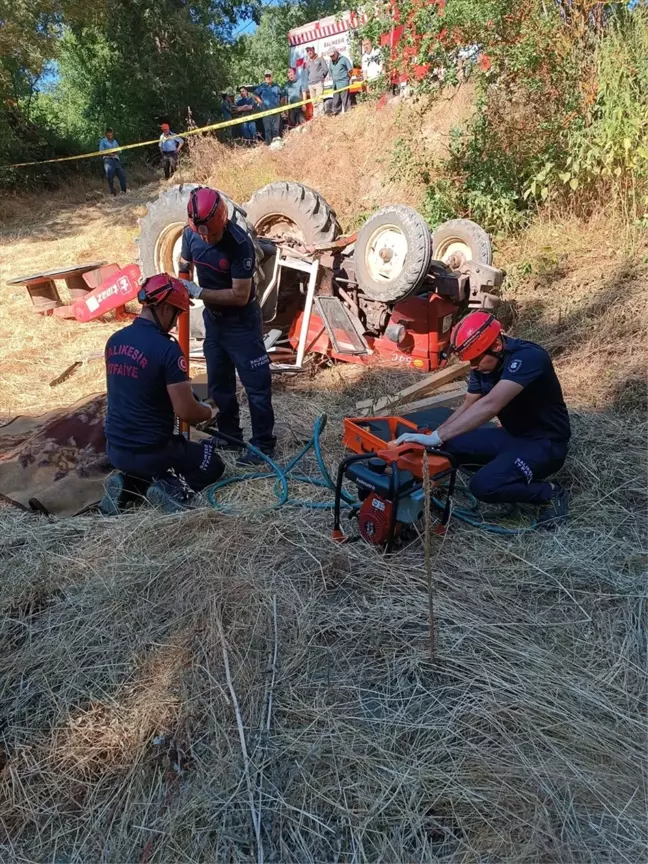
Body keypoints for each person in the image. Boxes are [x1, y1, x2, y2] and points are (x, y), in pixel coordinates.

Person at [392, 312, 571, 528]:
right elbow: (468, 405)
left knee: (484, 486)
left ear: (496, 345)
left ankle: (550, 493)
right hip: (512, 436)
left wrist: (438, 436)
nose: (473, 367)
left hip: (546, 444)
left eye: (476, 359)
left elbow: (491, 404)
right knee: (448, 446)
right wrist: (435, 437)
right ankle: (502, 467)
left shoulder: (529, 358)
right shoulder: (484, 363)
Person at [102, 274, 224, 514]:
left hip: (115, 448)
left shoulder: (115, 340)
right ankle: (173, 489)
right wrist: (210, 411)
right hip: (152, 451)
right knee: (212, 463)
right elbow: (186, 412)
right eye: (177, 314)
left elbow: (143, 387)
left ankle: (127, 484)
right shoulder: (167, 349)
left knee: (148, 463)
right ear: (166, 308)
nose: (176, 321)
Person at [178, 187, 276, 465]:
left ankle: (263, 444)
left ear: (222, 220)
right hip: (214, 321)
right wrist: (180, 281)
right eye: (202, 233)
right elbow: (184, 264)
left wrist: (198, 292)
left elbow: (239, 295)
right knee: (219, 383)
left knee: (257, 386)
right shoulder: (191, 234)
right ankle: (229, 434)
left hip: (241, 323)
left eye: (212, 233)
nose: (207, 238)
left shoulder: (238, 243)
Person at [254, 70, 285, 144]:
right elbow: (255, 95)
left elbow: (283, 95)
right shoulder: (261, 86)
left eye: (269, 76)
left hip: (276, 112)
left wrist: (280, 104)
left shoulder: (276, 86)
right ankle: (269, 145)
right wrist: (261, 102)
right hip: (266, 112)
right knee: (267, 130)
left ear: (272, 76)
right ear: (265, 77)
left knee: (276, 129)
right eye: (266, 76)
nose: (268, 77)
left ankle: (277, 144)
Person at [98, 128, 127, 196]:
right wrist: (109, 153)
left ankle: (124, 192)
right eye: (108, 135)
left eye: (111, 135)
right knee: (109, 175)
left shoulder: (115, 141)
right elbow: (100, 152)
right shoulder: (103, 141)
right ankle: (112, 191)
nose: (110, 137)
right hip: (108, 160)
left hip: (116, 160)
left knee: (122, 175)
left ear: (112, 134)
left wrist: (116, 152)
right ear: (106, 134)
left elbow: (120, 150)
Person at [305, 45, 328, 117]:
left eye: (310, 50)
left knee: (319, 100)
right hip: (310, 85)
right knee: (314, 102)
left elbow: (326, 69)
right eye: (308, 51)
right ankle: (316, 117)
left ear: (313, 50)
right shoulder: (307, 62)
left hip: (318, 83)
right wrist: (307, 82)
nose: (309, 52)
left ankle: (321, 117)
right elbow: (306, 73)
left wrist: (321, 77)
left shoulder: (320, 58)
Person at [328, 49, 352, 115]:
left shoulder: (344, 59)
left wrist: (347, 79)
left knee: (346, 101)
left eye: (333, 55)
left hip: (343, 83)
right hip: (335, 85)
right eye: (330, 56)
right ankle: (336, 114)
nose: (332, 57)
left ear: (336, 53)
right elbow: (331, 73)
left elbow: (350, 71)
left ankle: (349, 114)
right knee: (336, 101)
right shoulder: (331, 62)